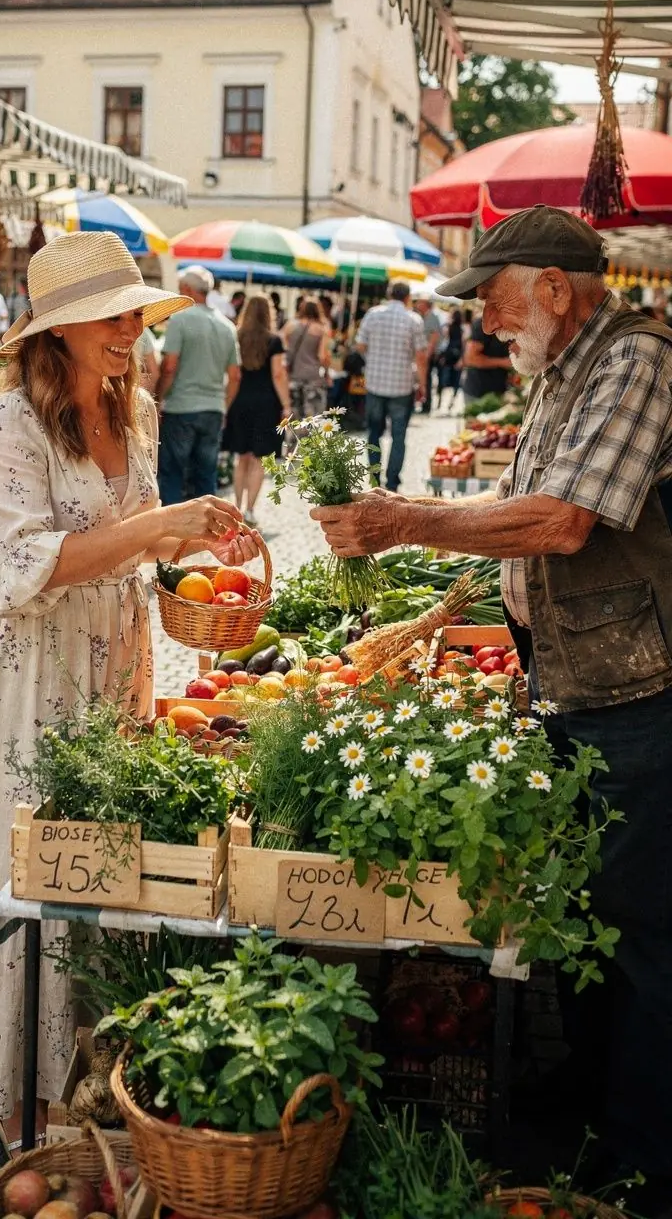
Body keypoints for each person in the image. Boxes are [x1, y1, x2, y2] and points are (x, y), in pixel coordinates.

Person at [310, 205, 672, 1206]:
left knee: (644, 933)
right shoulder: (564, 368)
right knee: (594, 911)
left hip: (638, 695)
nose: (485, 323)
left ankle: (643, 1155)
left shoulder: (635, 360)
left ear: (554, 287)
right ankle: (593, 1101)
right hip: (576, 681)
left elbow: (559, 523)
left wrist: (405, 521)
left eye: (498, 299)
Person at [0, 231, 256, 1133]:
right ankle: (16, 1091)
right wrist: (160, 526)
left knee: (95, 853)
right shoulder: (9, 423)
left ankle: (83, 1078)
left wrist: (203, 537)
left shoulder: (131, 405)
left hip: (116, 652)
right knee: (26, 860)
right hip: (32, 662)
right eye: (112, 317)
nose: (131, 330)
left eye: (136, 313)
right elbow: (32, 562)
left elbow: (142, 531)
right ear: (56, 331)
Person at [157, 266, 241, 505]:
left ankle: (172, 536)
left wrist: (158, 398)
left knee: (173, 473)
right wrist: (224, 405)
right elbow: (235, 376)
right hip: (213, 408)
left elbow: (169, 367)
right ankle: (207, 534)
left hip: (181, 406)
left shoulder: (180, 319)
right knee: (206, 476)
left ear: (186, 289)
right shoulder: (227, 326)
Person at [224, 295, 291, 524]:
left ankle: (237, 506)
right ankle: (250, 510)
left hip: (240, 400)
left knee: (241, 458)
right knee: (259, 459)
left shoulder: (236, 335)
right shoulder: (274, 341)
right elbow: (278, 375)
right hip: (266, 403)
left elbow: (232, 373)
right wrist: (286, 404)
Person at [356, 281, 428, 491]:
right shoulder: (413, 320)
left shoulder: (373, 314)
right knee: (398, 436)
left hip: (375, 383)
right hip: (401, 386)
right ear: (407, 297)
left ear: (389, 294)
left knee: (373, 433)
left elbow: (360, 345)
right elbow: (421, 356)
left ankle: (374, 479)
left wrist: (373, 357)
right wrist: (422, 384)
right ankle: (393, 482)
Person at [282, 299, 330, 428]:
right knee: (313, 419)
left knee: (294, 418)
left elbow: (283, 349)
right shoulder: (321, 328)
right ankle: (308, 447)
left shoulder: (290, 326)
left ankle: (292, 446)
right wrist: (327, 373)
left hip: (293, 376)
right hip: (313, 378)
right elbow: (322, 356)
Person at [461, 303, 512, 402]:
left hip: (498, 392)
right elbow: (470, 359)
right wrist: (503, 362)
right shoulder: (482, 324)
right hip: (478, 392)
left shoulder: (507, 325)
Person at [414, 297, 443, 414]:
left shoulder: (431, 317)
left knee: (426, 379)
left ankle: (426, 404)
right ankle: (423, 402)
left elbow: (434, 337)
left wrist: (427, 355)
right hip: (424, 354)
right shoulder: (424, 316)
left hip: (427, 355)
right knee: (424, 379)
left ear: (425, 304)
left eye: (419, 302)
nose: (417, 304)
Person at [436, 309, 464, 411]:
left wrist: (442, 356)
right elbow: (463, 345)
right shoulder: (462, 329)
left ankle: (441, 403)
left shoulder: (449, 327)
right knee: (455, 383)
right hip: (455, 358)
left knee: (443, 382)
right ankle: (450, 404)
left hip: (448, 358)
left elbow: (444, 342)